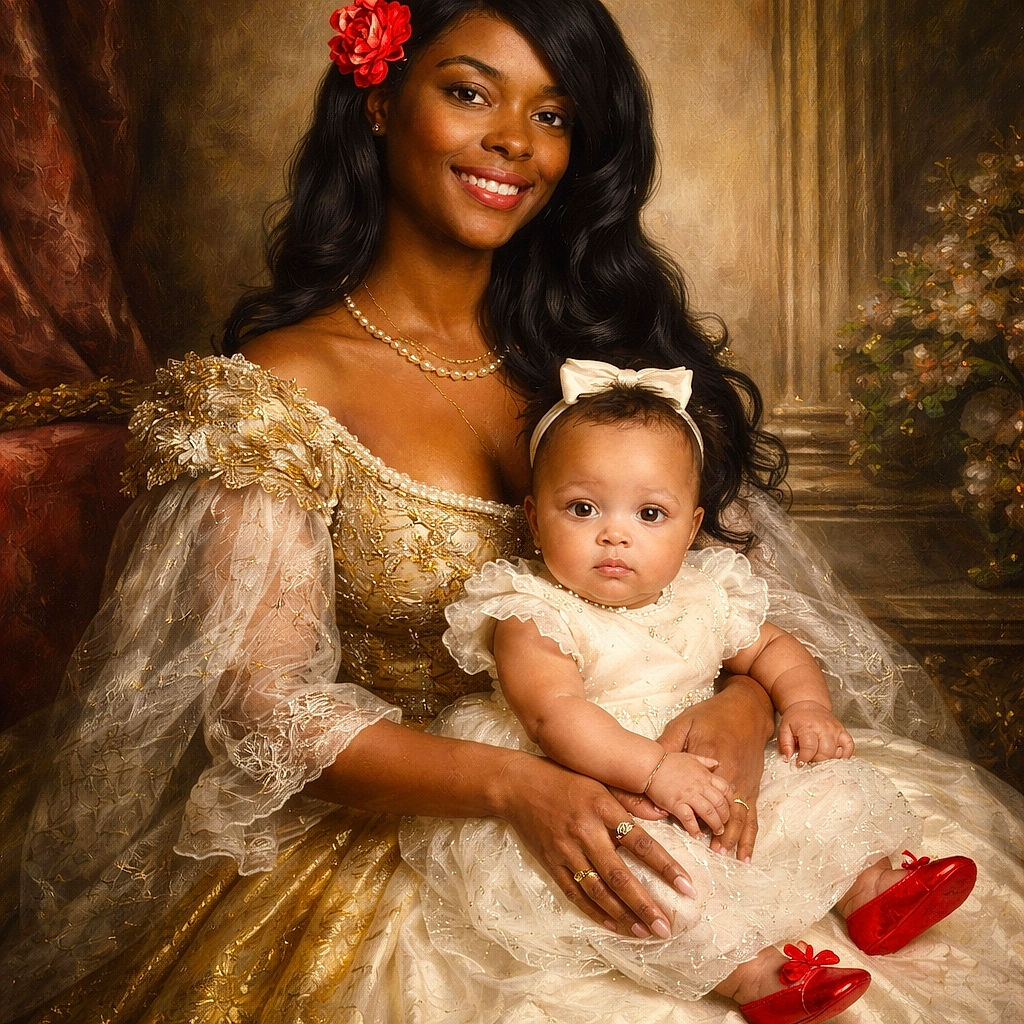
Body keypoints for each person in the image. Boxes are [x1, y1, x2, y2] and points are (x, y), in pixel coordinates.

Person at [0, 2, 1020, 1023]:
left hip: (690, 783)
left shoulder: (602, 359)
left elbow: (727, 601)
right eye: (469, 92)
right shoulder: (273, 393)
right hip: (442, 823)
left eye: (554, 114)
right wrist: (522, 788)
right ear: (379, 101)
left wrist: (745, 711)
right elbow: (265, 712)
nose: (515, 142)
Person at [394, 358, 977, 1023]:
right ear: (533, 516)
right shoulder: (532, 613)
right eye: (582, 509)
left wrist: (806, 705)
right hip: (604, 786)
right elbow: (556, 714)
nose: (615, 533)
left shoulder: (704, 591)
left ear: (691, 526)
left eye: (650, 513)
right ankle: (753, 973)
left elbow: (775, 650)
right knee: (645, 874)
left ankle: (870, 889)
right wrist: (655, 770)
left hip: (711, 773)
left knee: (825, 787)